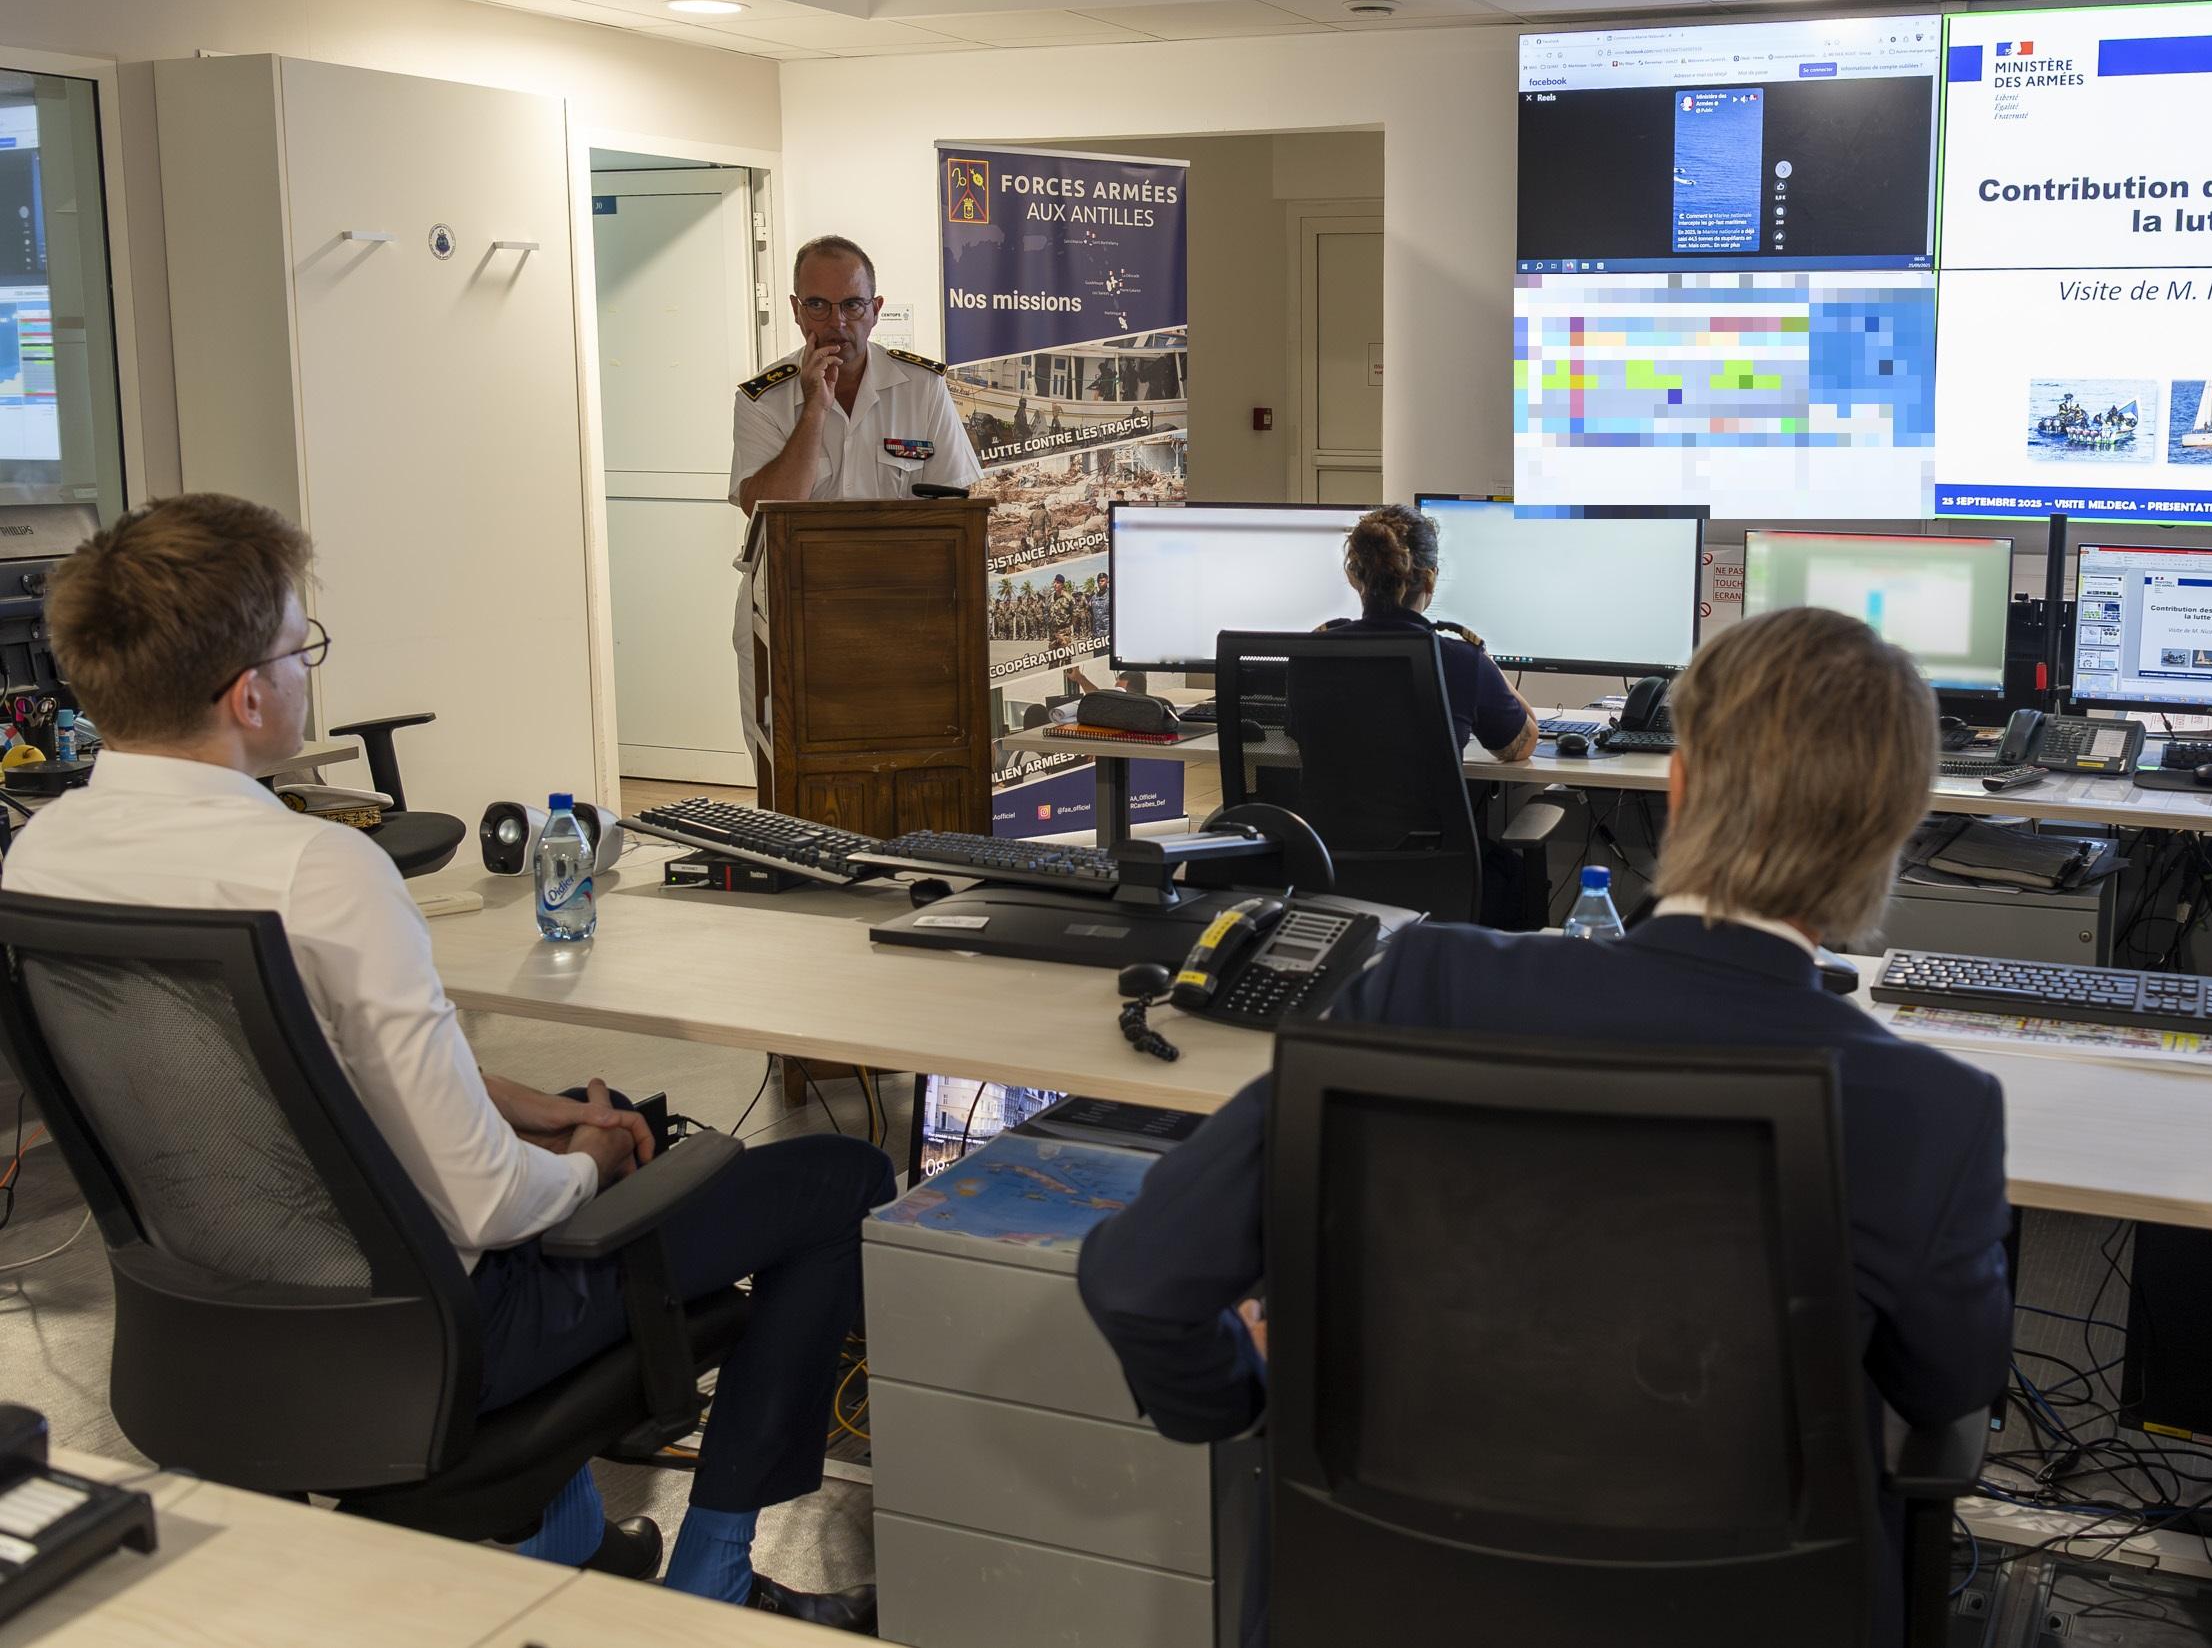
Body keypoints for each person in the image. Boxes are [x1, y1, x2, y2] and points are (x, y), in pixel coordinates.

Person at [13, 494, 893, 1631]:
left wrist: (513, 1100)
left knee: (599, 1112)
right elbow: (486, 1201)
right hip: (439, 1340)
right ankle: (713, 1585)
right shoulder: (318, 871)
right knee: (833, 1184)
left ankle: (568, 1542)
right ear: (250, 695)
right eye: (301, 648)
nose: (307, 672)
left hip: (209, 1336)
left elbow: (268, 1079)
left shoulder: (44, 852)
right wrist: (582, 1160)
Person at [1076, 607, 2013, 1643]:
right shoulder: (1931, 1115)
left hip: (1375, 1608)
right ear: (1893, 834)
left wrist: (1246, 1408)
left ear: (1684, 786)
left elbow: (1139, 1278)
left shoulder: (1429, 984)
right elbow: (1948, 1395)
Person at [730, 235, 984, 754]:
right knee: (787, 781)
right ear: (797, 312)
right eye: (819, 306)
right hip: (786, 620)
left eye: (851, 305)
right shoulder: (763, 398)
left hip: (899, 618)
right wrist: (814, 409)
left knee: (901, 772)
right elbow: (763, 507)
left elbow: (956, 510)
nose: (836, 323)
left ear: (876, 310)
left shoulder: (921, 387)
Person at [1318, 504, 1538, 763]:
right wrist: (1485, 662)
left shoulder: (1315, 653)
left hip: (1334, 805)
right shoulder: (1462, 662)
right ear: (1430, 579)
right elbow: (1524, 743)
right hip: (1430, 806)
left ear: (1354, 576)